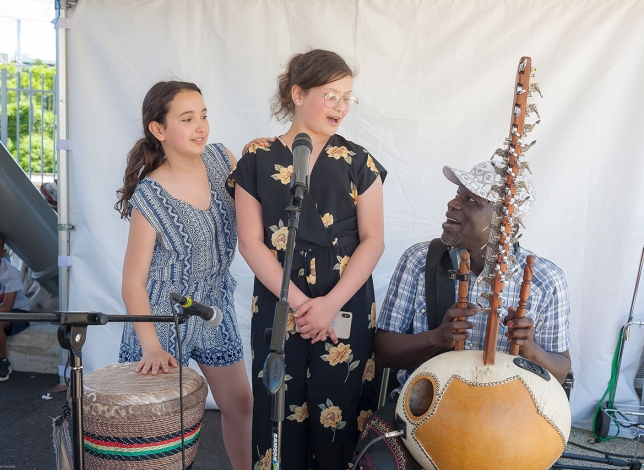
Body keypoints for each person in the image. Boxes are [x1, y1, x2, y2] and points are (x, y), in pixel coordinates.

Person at [355, 161, 571, 469]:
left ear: (504, 219)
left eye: (470, 200)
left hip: (509, 425)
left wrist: (530, 349)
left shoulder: (545, 281)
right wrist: (437, 338)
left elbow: (560, 372)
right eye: (458, 194)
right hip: (422, 414)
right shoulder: (419, 261)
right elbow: (383, 352)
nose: (453, 203)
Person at [230, 49, 386, 469]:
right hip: (280, 301)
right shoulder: (255, 160)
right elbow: (250, 243)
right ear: (298, 94)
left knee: (342, 408)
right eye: (330, 95)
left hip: (345, 299)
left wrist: (329, 304)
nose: (341, 106)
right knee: (277, 408)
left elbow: (373, 240)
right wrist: (302, 306)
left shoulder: (359, 161)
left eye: (347, 97)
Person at [114, 80, 252, 468]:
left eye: (203, 116)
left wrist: (261, 154)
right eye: (187, 119)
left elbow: (261, 198)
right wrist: (151, 346)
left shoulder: (222, 159)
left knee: (241, 404)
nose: (200, 126)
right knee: (155, 424)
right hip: (161, 315)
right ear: (158, 129)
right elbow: (133, 281)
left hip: (214, 306)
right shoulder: (149, 196)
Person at [0, 232, 31, 381]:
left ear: (3, 253)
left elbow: (7, 307)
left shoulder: (10, 272)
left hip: (17, 313)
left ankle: (2, 362)